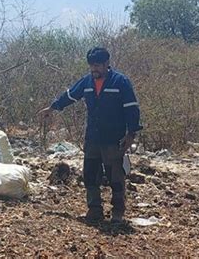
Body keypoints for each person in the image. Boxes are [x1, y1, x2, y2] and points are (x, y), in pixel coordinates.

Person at [38, 47, 142, 224]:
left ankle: (118, 211)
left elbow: (132, 108)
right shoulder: (87, 82)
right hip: (92, 137)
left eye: (98, 66)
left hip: (113, 138)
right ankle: (95, 210)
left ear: (107, 64)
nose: (95, 69)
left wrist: (131, 134)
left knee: (115, 176)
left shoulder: (120, 82)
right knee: (90, 174)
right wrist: (53, 107)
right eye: (92, 66)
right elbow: (71, 95)